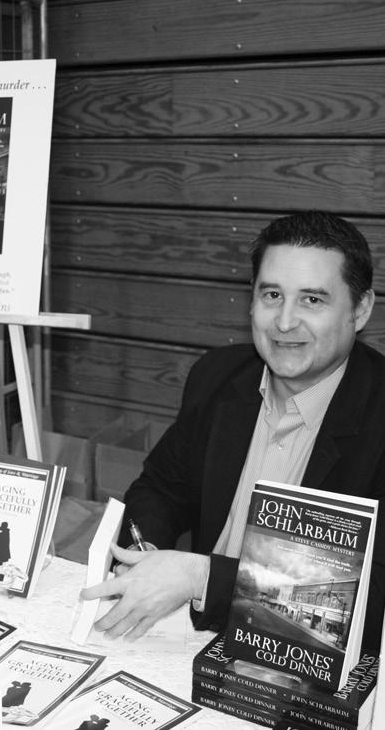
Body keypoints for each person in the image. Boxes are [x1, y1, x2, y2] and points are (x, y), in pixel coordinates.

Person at [80, 210, 385, 652]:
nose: (285, 322)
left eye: (312, 300)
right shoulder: (218, 376)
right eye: (272, 295)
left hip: (304, 658)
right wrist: (145, 556)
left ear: (360, 309)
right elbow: (160, 489)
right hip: (196, 633)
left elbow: (367, 599)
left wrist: (201, 578)